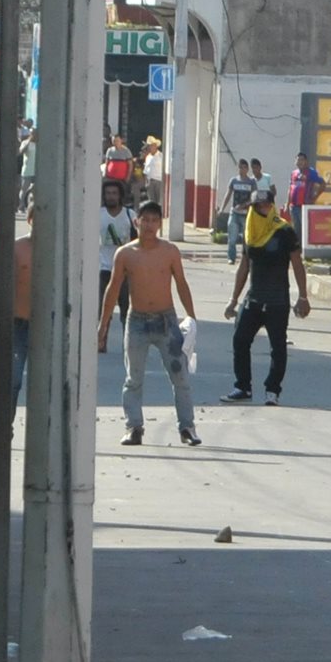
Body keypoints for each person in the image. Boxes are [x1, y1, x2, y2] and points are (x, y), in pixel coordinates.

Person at [98, 200, 201, 447]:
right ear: (137, 222)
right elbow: (112, 289)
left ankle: (187, 428)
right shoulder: (125, 254)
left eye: (155, 220)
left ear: (160, 223)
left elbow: (181, 284)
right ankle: (134, 427)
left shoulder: (170, 251)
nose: (150, 225)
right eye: (146, 220)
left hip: (166, 321)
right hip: (137, 322)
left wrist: (192, 318)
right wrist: (103, 326)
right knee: (133, 378)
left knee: (180, 377)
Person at [219, 188, 310, 406]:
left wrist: (303, 296)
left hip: (277, 301)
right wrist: (233, 300)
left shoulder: (284, 231)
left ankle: (272, 391)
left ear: (272, 206)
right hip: (254, 299)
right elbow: (244, 266)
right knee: (240, 340)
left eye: (266, 205)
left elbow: (297, 264)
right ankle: (242, 387)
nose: (262, 210)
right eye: (257, 206)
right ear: (251, 208)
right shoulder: (250, 231)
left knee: (277, 346)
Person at [98, 180, 135, 337]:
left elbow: (138, 240)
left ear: (120, 196)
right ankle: (101, 338)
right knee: (102, 307)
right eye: (108, 193)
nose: (111, 197)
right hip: (104, 268)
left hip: (125, 270)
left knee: (127, 309)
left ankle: (128, 341)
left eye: (114, 193)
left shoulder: (130, 215)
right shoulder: (98, 214)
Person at [13, 206, 33, 408]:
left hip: (48, 324)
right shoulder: (18, 248)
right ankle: (6, 427)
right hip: (18, 322)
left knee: (46, 382)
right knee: (13, 380)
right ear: (29, 220)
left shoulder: (61, 250)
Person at [219, 159, 256, 265]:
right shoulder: (234, 181)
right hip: (234, 213)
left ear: (247, 169)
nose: (242, 170)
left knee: (246, 238)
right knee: (232, 237)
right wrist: (222, 208)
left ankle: (246, 258)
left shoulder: (251, 182)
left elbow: (254, 198)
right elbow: (228, 194)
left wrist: (244, 205)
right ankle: (231, 257)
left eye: (244, 167)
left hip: (246, 214)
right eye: (240, 167)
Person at [284, 152, 325, 244]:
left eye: (302, 160)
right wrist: (287, 204)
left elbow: (323, 184)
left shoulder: (311, 173)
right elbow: (290, 189)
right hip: (294, 206)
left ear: (306, 161)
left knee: (306, 229)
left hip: (305, 206)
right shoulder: (293, 173)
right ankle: (298, 251)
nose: (300, 162)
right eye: (298, 160)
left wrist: (314, 197)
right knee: (296, 230)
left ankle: (307, 250)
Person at [19, 128, 36, 213]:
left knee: (35, 189)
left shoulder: (39, 143)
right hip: (27, 170)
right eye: (33, 133)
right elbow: (21, 152)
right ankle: (21, 205)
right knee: (24, 189)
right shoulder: (25, 143)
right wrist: (29, 141)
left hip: (37, 171)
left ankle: (32, 205)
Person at [142, 135, 163, 205]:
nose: (150, 147)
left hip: (159, 181)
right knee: (151, 201)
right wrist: (146, 182)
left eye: (152, 145)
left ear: (156, 146)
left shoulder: (161, 156)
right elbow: (146, 170)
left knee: (159, 201)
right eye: (149, 146)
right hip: (150, 181)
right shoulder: (148, 157)